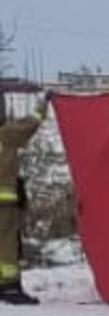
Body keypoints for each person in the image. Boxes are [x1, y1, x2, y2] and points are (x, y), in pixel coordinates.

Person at [0, 96, 48, 305]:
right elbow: (31, 124)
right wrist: (42, 106)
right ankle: (10, 288)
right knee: (7, 243)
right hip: (4, 202)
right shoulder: (6, 134)